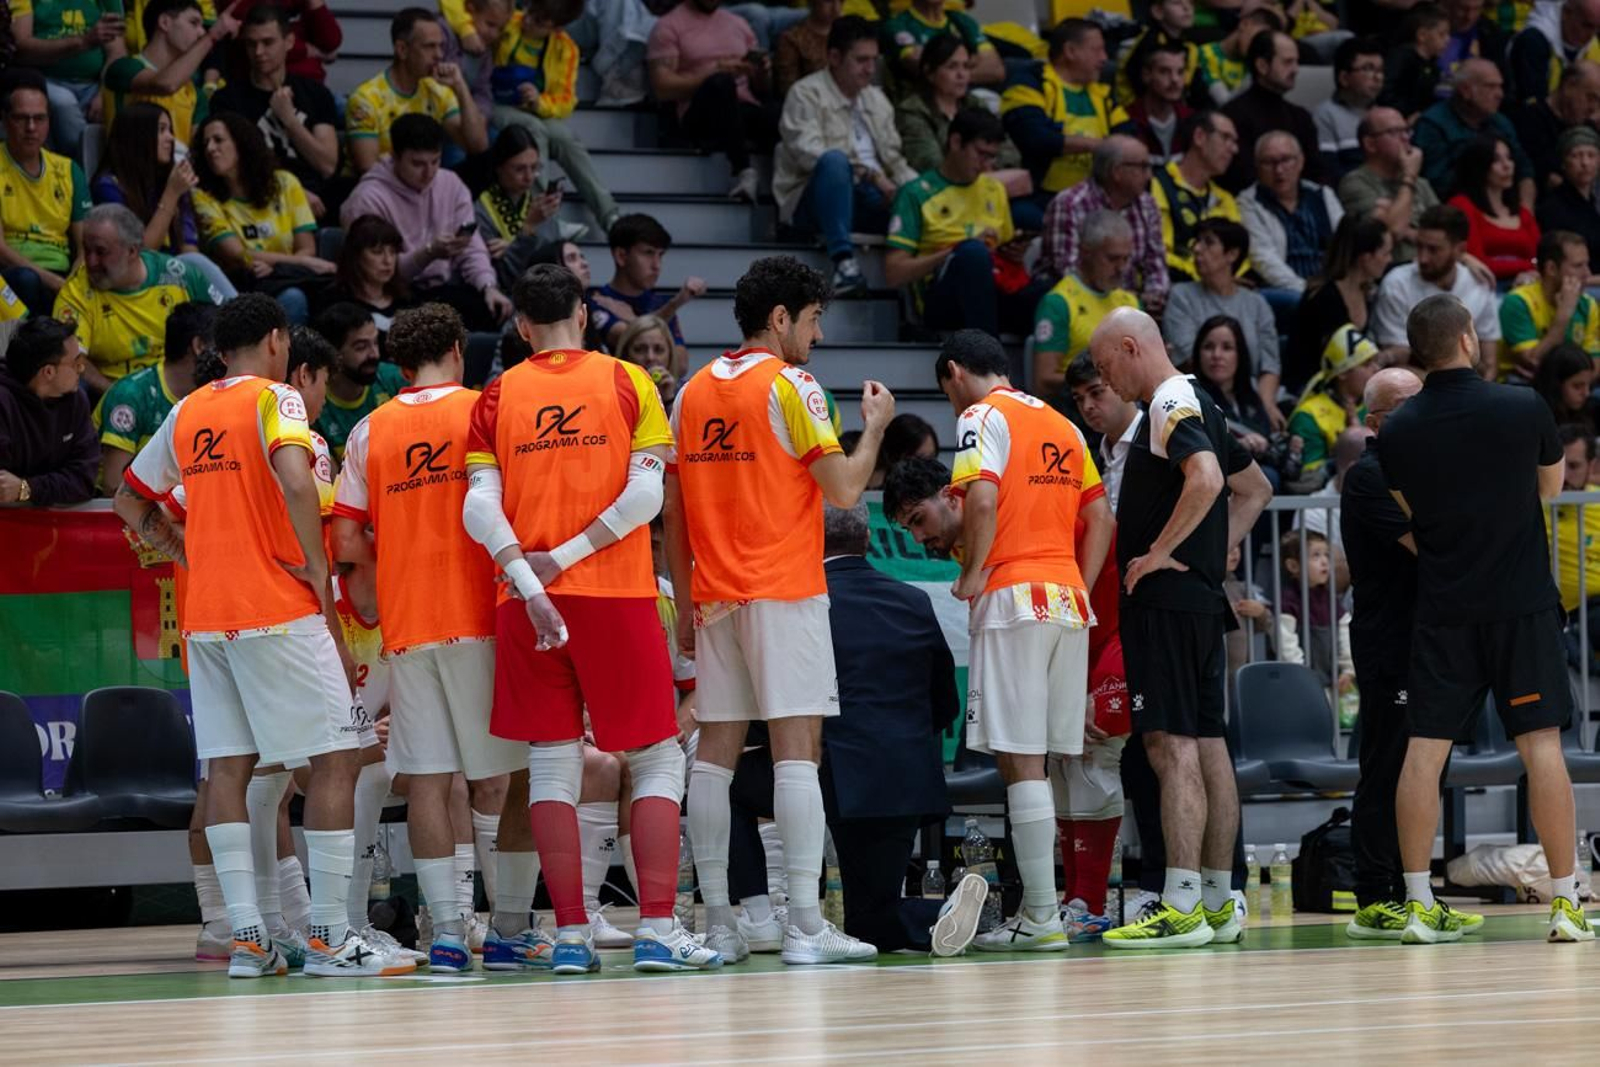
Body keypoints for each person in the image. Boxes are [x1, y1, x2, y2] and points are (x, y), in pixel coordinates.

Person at [113, 293, 415, 978]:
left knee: (228, 768)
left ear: (221, 347)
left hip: (209, 618)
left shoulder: (188, 409)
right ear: (277, 340)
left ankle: (248, 937)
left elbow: (128, 497)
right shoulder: (278, 401)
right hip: (279, 606)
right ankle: (332, 935)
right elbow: (293, 477)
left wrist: (182, 550)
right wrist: (313, 565)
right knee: (338, 759)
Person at [460, 264, 713, 974]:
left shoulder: (499, 392)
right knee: (658, 755)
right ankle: (658, 929)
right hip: (616, 591)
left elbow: (478, 508)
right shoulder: (628, 381)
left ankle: (570, 935)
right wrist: (564, 558)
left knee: (549, 766)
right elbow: (645, 496)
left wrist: (528, 576)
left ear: (519, 325)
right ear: (581, 309)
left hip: (523, 602)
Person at [666, 255, 892, 966]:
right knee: (799, 751)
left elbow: (672, 512)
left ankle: (722, 926)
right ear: (781, 318)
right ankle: (803, 924)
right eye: (815, 318)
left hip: (713, 594)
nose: (818, 335)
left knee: (713, 760)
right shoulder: (794, 385)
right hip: (784, 590)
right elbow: (847, 490)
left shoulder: (693, 390)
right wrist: (877, 426)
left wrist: (681, 596)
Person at [329, 303, 538, 973]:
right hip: (483, 616)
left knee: (426, 779)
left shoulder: (368, 429)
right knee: (518, 776)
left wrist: (390, 574)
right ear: (456, 347)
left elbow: (346, 537)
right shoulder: (488, 409)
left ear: (398, 360)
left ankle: (446, 933)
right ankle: (507, 927)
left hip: (408, 622)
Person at [1378, 292, 1592, 943]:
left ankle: (1417, 903)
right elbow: (1550, 490)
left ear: (1419, 350)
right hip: (1520, 604)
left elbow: (1406, 509)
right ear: (1469, 337)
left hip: (1444, 608)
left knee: (1423, 751)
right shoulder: (1521, 405)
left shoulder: (1398, 429)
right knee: (1542, 747)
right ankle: (1564, 903)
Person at [1090, 306, 1272, 949]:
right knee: (1209, 745)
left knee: (1171, 749)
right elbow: (1256, 491)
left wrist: (1166, 549)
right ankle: (1221, 902)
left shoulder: (1168, 400)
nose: (1105, 378)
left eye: (1106, 363)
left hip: (1166, 603)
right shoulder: (1200, 400)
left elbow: (1210, 478)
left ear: (1132, 347)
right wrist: (1218, 548)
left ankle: (1182, 903)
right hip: (1199, 600)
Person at [926, 328, 1114, 950]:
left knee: (1020, 762)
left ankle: (1039, 916)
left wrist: (973, 571)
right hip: (1066, 601)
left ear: (955, 372)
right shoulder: (1063, 423)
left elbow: (981, 497)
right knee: (1050, 760)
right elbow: (1101, 516)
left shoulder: (981, 415)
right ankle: (1046, 910)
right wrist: (1080, 586)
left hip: (1013, 596)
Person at [816, 499, 987, 955]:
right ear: (868, 538)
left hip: (841, 771)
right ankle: (948, 916)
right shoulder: (913, 600)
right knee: (870, 910)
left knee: (864, 920)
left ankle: (754, 912)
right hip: (909, 771)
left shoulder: (809, 602)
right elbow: (945, 699)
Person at [1340, 366, 1444, 939]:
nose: (1420, 413)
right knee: (1388, 761)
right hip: (1388, 640)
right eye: (1407, 405)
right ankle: (1374, 893)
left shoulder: (1419, 469)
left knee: (1425, 766)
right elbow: (1428, 544)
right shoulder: (1368, 477)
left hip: (1429, 638)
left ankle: (1418, 888)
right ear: (1375, 421)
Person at [775, 17, 916, 297]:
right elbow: (809, 154)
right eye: (861, 60)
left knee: (921, 196)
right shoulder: (805, 93)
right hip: (814, 198)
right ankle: (844, 263)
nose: (870, 69)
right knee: (835, 161)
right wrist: (871, 175)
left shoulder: (877, 99)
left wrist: (922, 191)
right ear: (834, 57)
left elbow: (896, 161)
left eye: (874, 60)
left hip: (872, 197)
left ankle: (916, 303)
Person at [338, 114, 513, 332]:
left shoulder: (450, 184)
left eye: (435, 161)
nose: (429, 173)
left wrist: (487, 285)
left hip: (444, 289)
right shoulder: (368, 199)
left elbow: (471, 246)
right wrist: (428, 253)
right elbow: (374, 271)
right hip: (395, 296)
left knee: (492, 310)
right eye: (417, 164)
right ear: (395, 156)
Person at [885, 108, 1032, 339]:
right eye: (981, 154)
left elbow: (998, 255)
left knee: (1046, 293)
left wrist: (1013, 253)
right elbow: (894, 273)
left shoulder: (994, 190)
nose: (987, 166)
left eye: (992, 157)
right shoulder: (915, 193)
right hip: (940, 299)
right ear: (956, 142)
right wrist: (956, 251)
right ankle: (986, 361)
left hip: (989, 287)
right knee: (972, 254)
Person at [54, 203, 220, 395]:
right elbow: (71, 358)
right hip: (115, 394)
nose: (91, 261)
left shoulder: (180, 276)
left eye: (101, 252)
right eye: (86, 250)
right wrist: (120, 395)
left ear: (132, 251)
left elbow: (222, 328)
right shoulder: (75, 293)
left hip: (182, 390)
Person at [488, 0, 621, 235]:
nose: (528, 20)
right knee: (533, 129)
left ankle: (610, 216)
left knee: (566, 138)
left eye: (539, 21)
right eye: (530, 11)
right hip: (494, 103)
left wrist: (539, 101)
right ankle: (543, 217)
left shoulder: (566, 49)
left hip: (535, 110)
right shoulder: (509, 22)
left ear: (557, 29)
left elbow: (566, 102)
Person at [190, 112, 332, 325]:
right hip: (242, 288)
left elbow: (307, 247)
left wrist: (276, 268)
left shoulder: (286, 183)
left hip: (288, 278)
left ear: (242, 143)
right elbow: (237, 254)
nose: (210, 148)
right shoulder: (203, 196)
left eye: (218, 140)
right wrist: (300, 261)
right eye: (206, 143)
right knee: (293, 299)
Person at [207, 5, 340, 210]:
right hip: (255, 201)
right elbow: (232, 169)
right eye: (251, 44)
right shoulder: (227, 100)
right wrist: (291, 193)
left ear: (289, 42)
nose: (259, 52)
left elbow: (327, 165)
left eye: (268, 42)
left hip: (315, 202)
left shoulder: (315, 93)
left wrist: (289, 120)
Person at [647, 0, 776, 203]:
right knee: (720, 83)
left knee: (782, 111)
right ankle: (743, 170)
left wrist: (762, 71)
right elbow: (662, 88)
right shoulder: (668, 26)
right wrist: (713, 72)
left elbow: (762, 88)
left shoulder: (739, 23)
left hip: (742, 107)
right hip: (700, 115)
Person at [345, 8, 489, 175]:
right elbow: (367, 168)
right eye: (429, 46)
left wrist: (460, 87)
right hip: (379, 191)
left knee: (483, 165)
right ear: (402, 50)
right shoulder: (366, 98)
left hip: (424, 184)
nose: (439, 55)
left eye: (440, 46)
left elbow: (478, 146)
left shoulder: (438, 90)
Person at [1037, 134, 1170, 315]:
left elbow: (1156, 265)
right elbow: (1067, 271)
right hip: (1077, 307)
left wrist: (1153, 296)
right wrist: (1120, 300)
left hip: (1131, 306)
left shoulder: (1147, 205)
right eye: (1143, 167)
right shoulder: (1069, 204)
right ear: (1116, 172)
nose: (1149, 175)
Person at [1162, 218, 1280, 420]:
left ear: (1232, 254)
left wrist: (1264, 406)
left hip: (1251, 399)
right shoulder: (1182, 296)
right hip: (1203, 399)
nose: (1197, 249)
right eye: (1196, 242)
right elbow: (1189, 360)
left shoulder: (1257, 303)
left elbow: (1270, 364)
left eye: (1208, 242)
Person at [1000, 19, 1114, 221]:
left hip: (1095, 198)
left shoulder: (1102, 93)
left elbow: (1128, 136)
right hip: (1040, 199)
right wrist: (1098, 145)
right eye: (1097, 50)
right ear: (1070, 51)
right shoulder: (1029, 83)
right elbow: (1035, 138)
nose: (1104, 58)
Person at [0, 70, 92, 317]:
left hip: (61, 274)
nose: (31, 127)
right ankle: (12, 351)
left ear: (49, 121)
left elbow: (86, 246)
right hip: (11, 277)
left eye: (39, 118)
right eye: (21, 118)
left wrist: (71, 284)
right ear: (5, 120)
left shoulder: (69, 170)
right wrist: (54, 283)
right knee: (26, 280)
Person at [97, 301, 213, 492]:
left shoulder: (213, 394)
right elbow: (113, 483)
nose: (226, 356)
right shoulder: (130, 394)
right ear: (199, 345)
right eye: (221, 347)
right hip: (117, 514)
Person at [1370, 204, 1501, 372]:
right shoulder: (1396, 284)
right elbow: (1397, 367)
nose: (1423, 258)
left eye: (1433, 250)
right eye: (1419, 246)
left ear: (1460, 249)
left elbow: (1489, 364)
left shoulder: (1479, 284)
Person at [1033, 210, 1141, 399]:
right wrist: (1099, 379)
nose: (1121, 268)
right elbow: (1043, 380)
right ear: (1086, 253)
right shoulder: (1058, 303)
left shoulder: (1129, 302)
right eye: (1113, 258)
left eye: (1126, 259)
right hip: (1079, 408)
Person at [102, 0, 239, 148]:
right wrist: (212, 36)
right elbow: (164, 84)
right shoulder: (123, 68)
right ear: (165, 22)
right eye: (194, 23)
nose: (201, 32)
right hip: (129, 169)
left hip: (179, 169)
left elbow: (196, 151)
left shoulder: (194, 94)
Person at [896, 36, 1027, 185]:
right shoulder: (913, 110)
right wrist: (982, 169)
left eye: (966, 67)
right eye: (952, 67)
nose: (962, 75)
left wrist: (986, 169)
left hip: (989, 184)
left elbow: (1009, 153)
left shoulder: (974, 103)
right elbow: (929, 163)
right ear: (929, 72)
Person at [1284, 215, 1393, 393]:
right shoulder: (1322, 298)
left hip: (1350, 385)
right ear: (1366, 258)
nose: (1390, 260)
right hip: (1313, 388)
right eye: (1386, 253)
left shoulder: (1368, 292)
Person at [1239, 131, 1345, 305]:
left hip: (1331, 283)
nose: (1279, 170)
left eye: (1286, 160)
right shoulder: (1249, 203)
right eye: (1269, 162)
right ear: (1257, 167)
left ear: (1300, 161)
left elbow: (1345, 242)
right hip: (1284, 290)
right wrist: (1308, 291)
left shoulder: (1322, 195)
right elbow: (1264, 260)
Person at [10, 0, 125, 159]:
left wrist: (104, 92)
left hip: (95, 83)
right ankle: (81, 171)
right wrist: (83, 41)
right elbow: (21, 49)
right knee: (63, 103)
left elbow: (117, 53)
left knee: (120, 100)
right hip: (46, 80)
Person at [0, 317, 96, 507]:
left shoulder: (76, 400)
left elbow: (84, 480)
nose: (82, 369)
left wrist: (28, 488)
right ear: (48, 372)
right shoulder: (3, 403)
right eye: (75, 363)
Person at [1413, 59, 1537, 204]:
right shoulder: (1432, 125)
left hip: (1504, 207)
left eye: (1500, 87)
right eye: (1491, 87)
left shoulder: (1501, 122)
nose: (1500, 94)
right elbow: (1438, 184)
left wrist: (1526, 211)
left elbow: (1524, 169)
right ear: (1465, 90)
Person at [588, 213, 701, 372]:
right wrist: (672, 307)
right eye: (648, 253)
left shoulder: (663, 305)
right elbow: (627, 338)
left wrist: (631, 319)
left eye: (660, 255)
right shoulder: (597, 301)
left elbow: (680, 364)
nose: (657, 265)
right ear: (621, 256)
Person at [1220, 29, 1322, 193]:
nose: (1296, 69)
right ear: (1262, 65)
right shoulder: (1233, 116)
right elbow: (1239, 178)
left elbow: (1318, 174)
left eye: (1296, 62)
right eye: (1287, 62)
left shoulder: (1301, 117)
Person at [1339, 106, 1440, 264]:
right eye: (1394, 132)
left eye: (1406, 130)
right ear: (1370, 144)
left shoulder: (1421, 184)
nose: (1406, 138)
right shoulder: (1355, 183)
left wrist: (1412, 233)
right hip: (1391, 270)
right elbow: (1393, 232)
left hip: (1432, 268)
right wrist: (1409, 178)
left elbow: (1445, 235)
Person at [1150, 110, 1241, 282]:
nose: (1234, 149)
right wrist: (1208, 273)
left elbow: (1240, 253)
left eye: (1235, 141)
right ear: (1199, 137)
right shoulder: (1158, 185)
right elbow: (1160, 252)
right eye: (1226, 138)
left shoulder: (1225, 199)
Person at [1287, 324, 1380, 491]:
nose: (1376, 369)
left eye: (1375, 362)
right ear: (1343, 373)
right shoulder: (1308, 414)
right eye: (1367, 364)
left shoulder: (1376, 405)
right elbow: (1305, 481)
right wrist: (1347, 449)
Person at [311, 302, 408, 459]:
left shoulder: (395, 378)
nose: (374, 354)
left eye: (375, 343)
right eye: (361, 347)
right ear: (333, 353)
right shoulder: (316, 402)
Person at [1501, 229, 1600, 382]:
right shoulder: (1518, 302)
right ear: (1551, 269)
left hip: (1567, 386)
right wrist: (1563, 317)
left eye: (1587, 264)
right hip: (1521, 387)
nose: (1587, 273)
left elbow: (1595, 364)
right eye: (1578, 266)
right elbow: (1532, 361)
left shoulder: (1588, 304)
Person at [474, 126, 563, 293]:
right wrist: (528, 228)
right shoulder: (480, 210)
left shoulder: (539, 204)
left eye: (534, 167)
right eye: (519, 169)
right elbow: (506, 274)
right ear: (499, 168)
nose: (529, 177)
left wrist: (509, 247)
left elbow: (555, 262)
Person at [1447, 135, 1541, 282]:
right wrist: (1527, 266)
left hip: (1527, 284)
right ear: (1479, 165)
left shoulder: (1522, 213)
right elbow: (1478, 262)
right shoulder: (1462, 206)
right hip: (1485, 286)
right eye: (1497, 160)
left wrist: (1529, 269)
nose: (1507, 165)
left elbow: (1541, 258)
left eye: (1509, 158)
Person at [1191, 315, 1279, 465]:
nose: (1217, 355)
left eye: (1227, 348)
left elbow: (1266, 438)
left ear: (1240, 354)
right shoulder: (1190, 397)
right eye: (1208, 347)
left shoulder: (1251, 395)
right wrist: (1239, 446)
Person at [1067, 352, 1143, 509]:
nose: (1087, 406)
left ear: (1119, 384)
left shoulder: (1158, 438)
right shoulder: (1091, 457)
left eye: (1096, 392)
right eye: (1079, 399)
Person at [881, 0, 1003, 92]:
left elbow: (996, 70)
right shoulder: (897, 25)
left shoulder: (961, 20)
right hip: (922, 101)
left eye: (964, 65)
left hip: (963, 96)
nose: (961, 72)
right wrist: (970, 63)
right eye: (953, 66)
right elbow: (920, 65)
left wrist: (951, 74)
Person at [326, 215, 411, 341]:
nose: (388, 261)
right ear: (356, 256)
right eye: (377, 252)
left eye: (392, 252)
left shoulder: (407, 301)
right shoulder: (335, 304)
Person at [1111, 43, 1195, 167]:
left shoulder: (1192, 120)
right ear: (1146, 75)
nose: (1175, 79)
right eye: (1164, 72)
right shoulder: (1125, 119)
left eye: (1180, 72)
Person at [1520, 61, 1600, 192]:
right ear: (1569, 86)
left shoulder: (1590, 126)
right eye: (1590, 97)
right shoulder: (1531, 120)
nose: (1594, 108)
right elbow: (1548, 177)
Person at [1315, 36, 1385, 181]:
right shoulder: (1326, 115)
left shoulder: (1386, 115)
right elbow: (1329, 171)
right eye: (1368, 69)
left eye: (1380, 70)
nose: (1378, 77)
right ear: (1344, 78)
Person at [1506, 0, 1600, 106]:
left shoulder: (1592, 43)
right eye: (1587, 25)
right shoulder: (1533, 42)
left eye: (1598, 29)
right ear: (1566, 13)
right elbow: (1532, 102)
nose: (1591, 35)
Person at [226, 0, 344, 84]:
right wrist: (307, 50)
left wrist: (315, 3)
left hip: (311, 86)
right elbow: (251, 39)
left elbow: (331, 42)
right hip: (264, 86)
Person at [1192, 3, 1283, 108]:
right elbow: (1225, 104)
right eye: (1257, 37)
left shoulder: (1253, 65)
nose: (1257, 44)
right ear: (1244, 24)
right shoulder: (1205, 54)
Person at [1535, 126, 1600, 268]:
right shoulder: (1552, 209)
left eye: (1591, 155)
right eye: (1576, 156)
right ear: (1564, 163)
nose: (1585, 163)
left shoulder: (1593, 203)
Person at [1115, 0, 1198, 107]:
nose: (1187, 8)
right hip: (1136, 109)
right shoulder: (1149, 42)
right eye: (1177, 3)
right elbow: (1137, 83)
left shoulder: (1190, 47)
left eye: (1191, 3)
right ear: (1158, 11)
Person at [1379, 4, 1450, 121]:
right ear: (1422, 35)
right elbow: (1386, 92)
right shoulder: (1401, 58)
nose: (1448, 40)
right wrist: (1409, 111)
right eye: (1442, 34)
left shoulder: (1433, 65)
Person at [774, 0, 839, 99]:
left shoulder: (851, 34)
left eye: (841, 1)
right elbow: (789, 89)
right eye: (828, 1)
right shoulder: (792, 39)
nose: (836, 8)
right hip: (811, 104)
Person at [1533, 342, 1600, 430]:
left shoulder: (1591, 412)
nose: (1586, 393)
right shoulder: (1535, 418)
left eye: (1589, 385)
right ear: (1556, 384)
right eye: (1577, 386)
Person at [615, 315, 678, 405]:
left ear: (670, 354)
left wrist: (668, 400)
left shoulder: (684, 394)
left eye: (658, 349)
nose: (650, 357)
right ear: (625, 355)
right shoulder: (611, 394)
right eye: (640, 349)